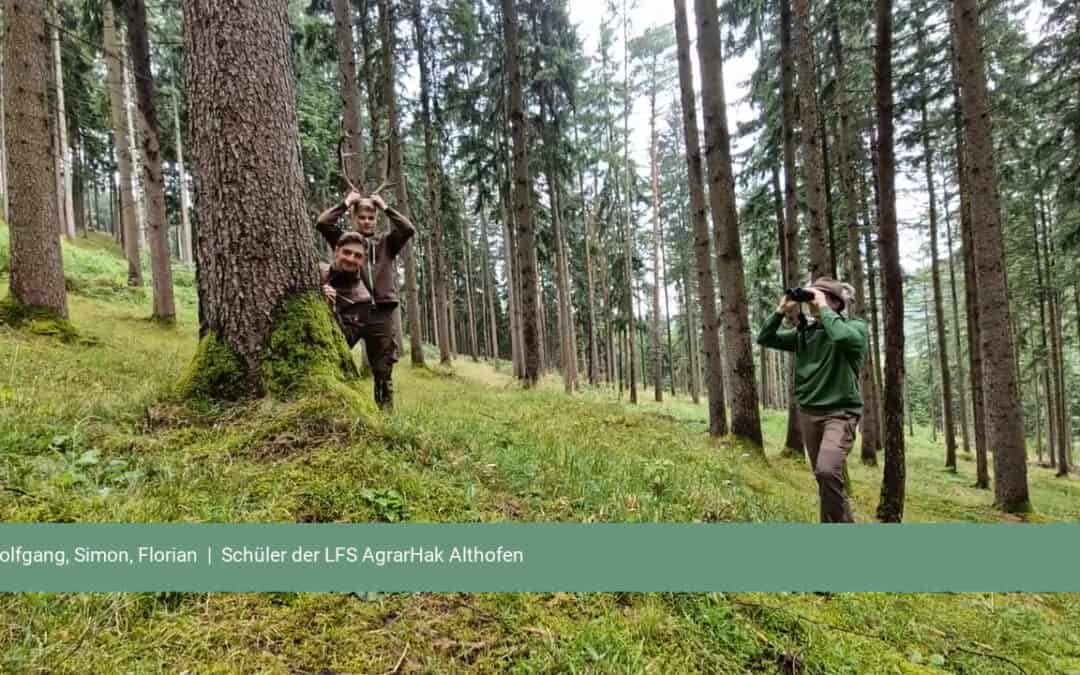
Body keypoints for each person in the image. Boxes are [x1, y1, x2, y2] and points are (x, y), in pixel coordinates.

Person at [756, 276, 868, 523]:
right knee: (824, 479)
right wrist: (779, 311)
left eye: (822, 295)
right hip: (809, 413)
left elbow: (840, 337)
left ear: (838, 303)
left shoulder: (855, 328)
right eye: (813, 295)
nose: (815, 300)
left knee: (827, 470)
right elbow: (764, 338)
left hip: (840, 414)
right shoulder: (804, 333)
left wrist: (824, 307)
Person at [316, 189, 416, 411]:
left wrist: (386, 207)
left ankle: (386, 416)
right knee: (336, 354)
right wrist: (345, 202)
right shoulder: (346, 242)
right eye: (361, 217)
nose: (366, 222)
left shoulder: (387, 243)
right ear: (353, 218)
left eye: (371, 218)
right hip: (349, 309)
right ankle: (334, 406)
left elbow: (408, 229)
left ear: (376, 219)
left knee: (383, 369)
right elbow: (323, 223)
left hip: (381, 313)